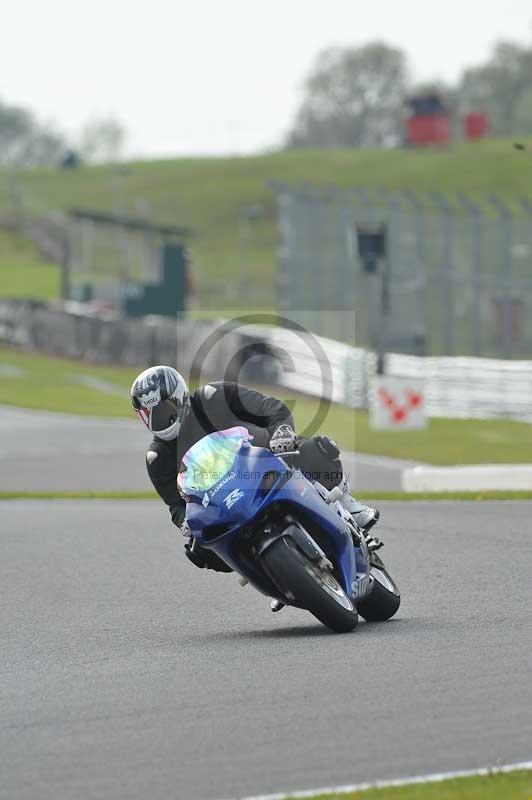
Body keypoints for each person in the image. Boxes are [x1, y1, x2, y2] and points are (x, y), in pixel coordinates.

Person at [131, 365, 382, 572]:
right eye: (149, 414)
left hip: (268, 464)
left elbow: (271, 409)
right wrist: (184, 522)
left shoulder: (213, 396)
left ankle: (347, 504)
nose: (160, 419)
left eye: (164, 409)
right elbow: (175, 505)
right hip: (225, 502)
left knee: (317, 449)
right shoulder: (157, 458)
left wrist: (281, 432)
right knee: (200, 551)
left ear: (179, 397)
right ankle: (264, 572)